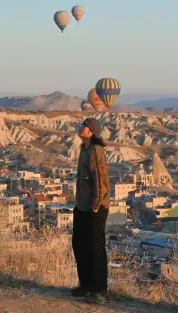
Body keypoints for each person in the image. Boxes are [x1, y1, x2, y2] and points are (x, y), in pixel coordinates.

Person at [71, 117, 110, 304]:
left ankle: (99, 290)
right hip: (83, 206)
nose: (80, 128)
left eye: (84, 126)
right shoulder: (84, 149)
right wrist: (79, 206)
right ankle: (85, 285)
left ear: (91, 130)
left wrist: (96, 206)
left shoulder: (96, 150)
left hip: (95, 207)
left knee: (96, 248)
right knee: (80, 245)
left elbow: (101, 179)